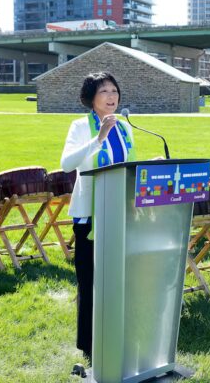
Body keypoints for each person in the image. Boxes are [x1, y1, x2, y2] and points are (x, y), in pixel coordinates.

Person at [60, 72, 135, 363]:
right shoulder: (80, 126)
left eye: (114, 90)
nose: (111, 96)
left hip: (120, 212)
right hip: (90, 217)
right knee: (90, 280)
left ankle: (117, 335)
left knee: (119, 278)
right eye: (104, 91)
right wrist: (98, 138)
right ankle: (90, 345)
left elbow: (126, 165)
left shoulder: (125, 127)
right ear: (91, 97)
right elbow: (67, 164)